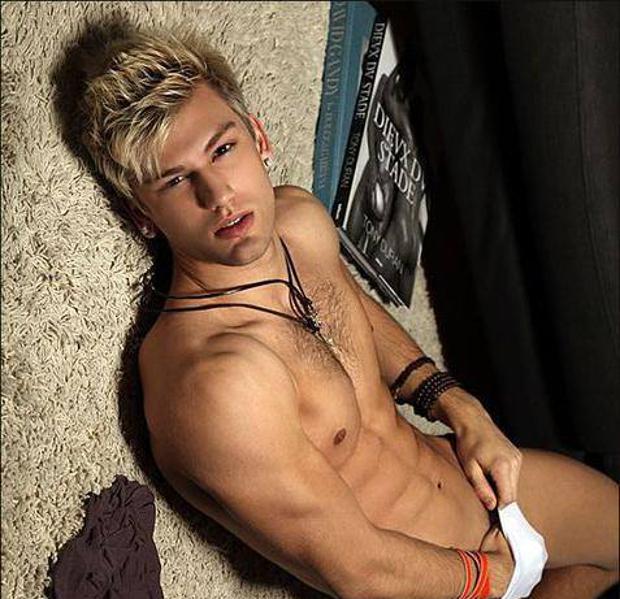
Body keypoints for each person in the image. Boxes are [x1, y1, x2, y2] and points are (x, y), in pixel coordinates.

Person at [77, 29, 618, 599]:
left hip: (469, 483)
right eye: (176, 181)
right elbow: (358, 571)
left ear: (258, 136)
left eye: (222, 150)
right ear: (142, 217)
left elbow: (349, 309)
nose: (218, 195)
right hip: (425, 579)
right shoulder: (215, 383)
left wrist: (456, 404)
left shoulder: (297, 220)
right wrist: (497, 579)